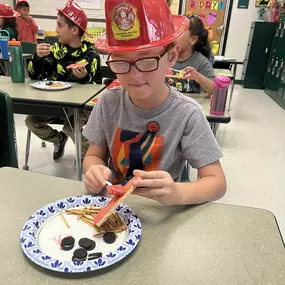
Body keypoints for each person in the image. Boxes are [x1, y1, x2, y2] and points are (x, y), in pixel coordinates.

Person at [82, 0, 226, 206]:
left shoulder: (187, 114)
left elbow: (217, 182)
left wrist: (178, 193)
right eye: (121, 62)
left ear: (172, 56)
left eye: (147, 60)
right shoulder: (108, 102)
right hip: (115, 209)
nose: (135, 75)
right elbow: (93, 156)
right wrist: (93, 170)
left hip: (161, 213)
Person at [26, 1, 101, 162]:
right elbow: (34, 76)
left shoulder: (90, 55)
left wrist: (84, 78)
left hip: (78, 110)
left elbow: (96, 91)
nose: (56, 30)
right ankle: (58, 140)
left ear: (74, 30)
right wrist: (37, 58)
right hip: (54, 106)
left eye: (60, 26)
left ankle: (87, 156)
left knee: (72, 127)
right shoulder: (53, 50)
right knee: (31, 121)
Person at [166, 15, 215, 95]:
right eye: (173, 31)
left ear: (193, 40)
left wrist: (198, 77)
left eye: (179, 32)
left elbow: (215, 91)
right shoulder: (165, 56)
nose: (173, 36)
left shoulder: (201, 62)